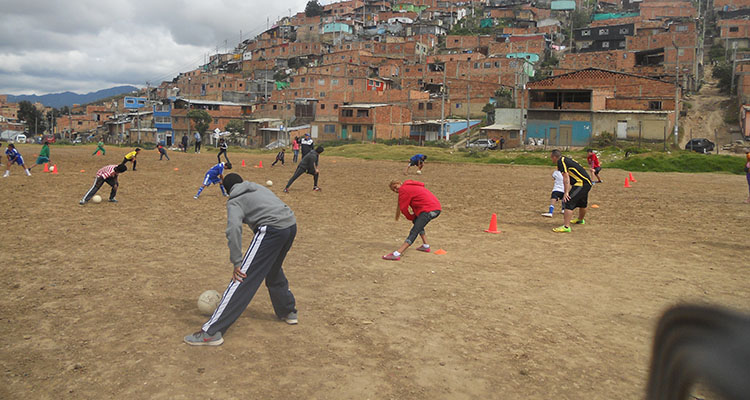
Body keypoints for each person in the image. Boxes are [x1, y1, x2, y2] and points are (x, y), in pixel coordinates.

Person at [184, 173, 299, 346]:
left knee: (242, 277)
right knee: (273, 268)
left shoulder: (234, 201)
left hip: (272, 230)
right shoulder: (257, 186)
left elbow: (233, 230)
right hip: (290, 225)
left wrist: (237, 262)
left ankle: (212, 332)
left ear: (229, 190)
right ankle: (287, 311)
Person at [382, 180, 442, 261]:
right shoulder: (412, 186)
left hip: (428, 210)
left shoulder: (404, 189)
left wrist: (410, 217)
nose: (396, 190)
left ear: (399, 183)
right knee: (416, 221)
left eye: (395, 187)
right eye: (394, 190)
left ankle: (397, 253)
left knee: (414, 230)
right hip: (436, 208)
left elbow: (403, 208)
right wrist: (413, 217)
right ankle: (425, 246)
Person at [549, 149, 592, 233]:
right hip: (587, 182)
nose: (551, 160)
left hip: (581, 183)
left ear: (554, 157)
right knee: (582, 203)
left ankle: (566, 226)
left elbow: (566, 177)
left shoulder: (561, 162)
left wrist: (566, 192)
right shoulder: (565, 159)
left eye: (551, 158)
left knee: (568, 201)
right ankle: (580, 220)